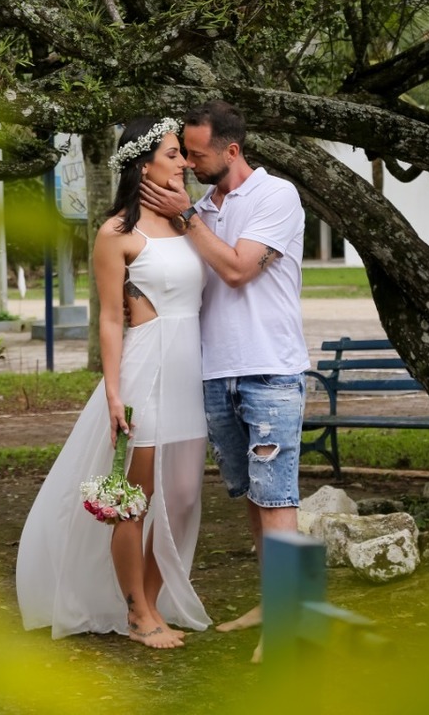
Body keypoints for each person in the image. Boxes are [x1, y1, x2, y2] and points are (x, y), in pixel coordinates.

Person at [16, 117, 211, 649]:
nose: (184, 162)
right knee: (134, 498)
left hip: (190, 372)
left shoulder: (189, 223)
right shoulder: (116, 234)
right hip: (147, 367)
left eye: (183, 154)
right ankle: (137, 612)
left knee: (184, 496)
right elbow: (108, 317)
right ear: (143, 164)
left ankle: (152, 600)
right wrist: (113, 392)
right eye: (173, 153)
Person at [138, 100, 308, 661]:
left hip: (269, 370)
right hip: (216, 373)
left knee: (277, 499)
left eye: (196, 154)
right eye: (183, 153)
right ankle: (272, 602)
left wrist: (187, 218)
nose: (188, 163)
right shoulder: (201, 207)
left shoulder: (276, 195)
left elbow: (237, 270)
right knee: (254, 499)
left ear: (231, 150)